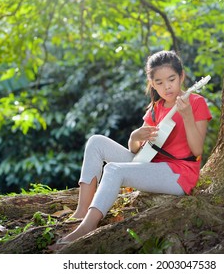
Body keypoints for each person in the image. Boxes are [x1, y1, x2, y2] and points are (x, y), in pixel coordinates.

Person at [51, 50, 212, 248]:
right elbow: (139, 152)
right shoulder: (156, 108)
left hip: (178, 174)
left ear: (182, 76)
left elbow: (196, 151)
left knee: (114, 169)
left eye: (171, 79)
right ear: (152, 83)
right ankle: (81, 212)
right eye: (159, 82)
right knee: (95, 142)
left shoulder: (195, 103)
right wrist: (134, 137)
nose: (166, 86)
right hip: (150, 164)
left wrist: (186, 116)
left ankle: (87, 227)